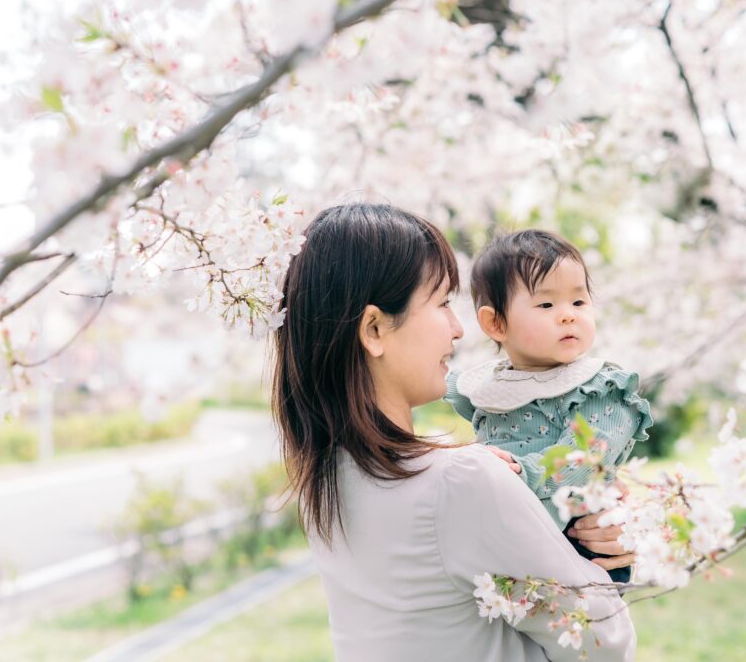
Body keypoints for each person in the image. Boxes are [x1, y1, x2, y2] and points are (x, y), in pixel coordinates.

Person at [271, 204, 636, 661]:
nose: (459, 329)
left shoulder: (324, 479)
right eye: (443, 303)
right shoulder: (461, 480)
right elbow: (602, 642)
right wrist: (600, 563)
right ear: (375, 329)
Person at [444, 230, 652, 583]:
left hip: (577, 542)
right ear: (496, 323)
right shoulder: (492, 386)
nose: (568, 315)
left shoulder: (598, 387)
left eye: (579, 302)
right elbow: (439, 384)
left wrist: (524, 472)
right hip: (503, 539)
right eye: (546, 305)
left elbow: (587, 459)